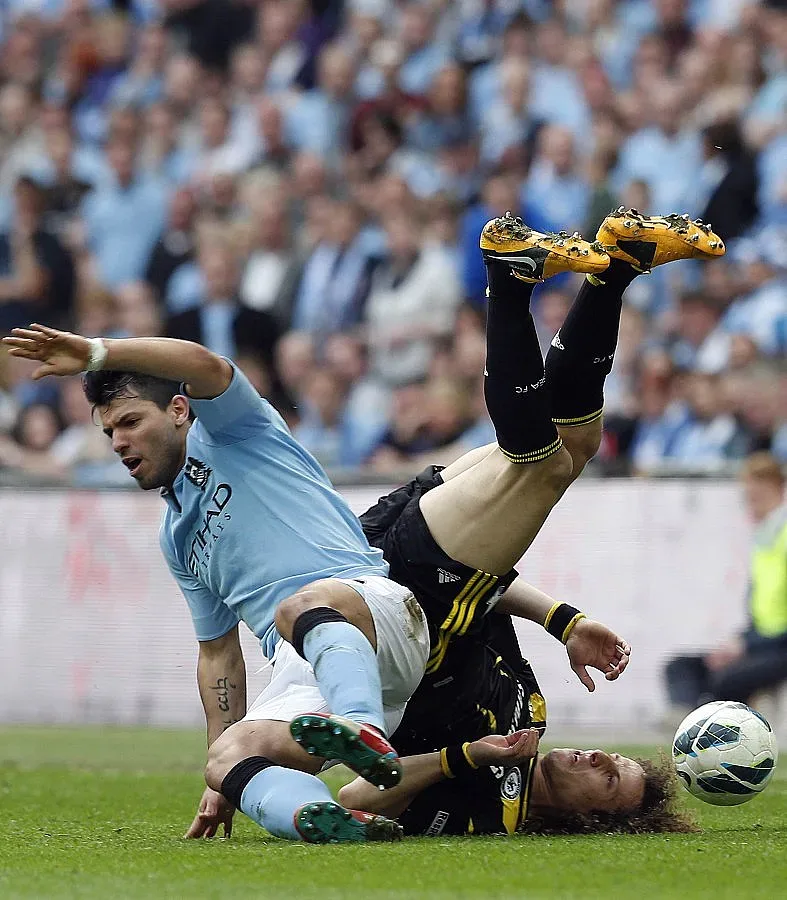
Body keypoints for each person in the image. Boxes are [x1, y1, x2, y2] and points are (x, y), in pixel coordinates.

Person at [338, 208, 725, 836]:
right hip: (423, 575)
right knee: (574, 446)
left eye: (607, 780)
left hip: (401, 605)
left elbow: (354, 795)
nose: (599, 757)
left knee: (544, 465)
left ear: (588, 820)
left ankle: (510, 281)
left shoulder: (489, 809)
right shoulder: (531, 710)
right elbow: (485, 595)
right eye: (618, 761)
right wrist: (563, 619)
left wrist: (460, 758)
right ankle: (617, 266)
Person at [2, 323, 433, 845]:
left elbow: (204, 364)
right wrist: (223, 777)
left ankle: (361, 728)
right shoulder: (177, 536)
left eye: (130, 422)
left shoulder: (235, 432)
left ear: (179, 411)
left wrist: (97, 353)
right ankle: (332, 821)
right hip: (306, 670)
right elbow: (218, 656)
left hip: (369, 611)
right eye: (110, 432)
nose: (118, 442)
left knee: (300, 607)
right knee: (227, 757)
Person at [664, 452, 787, 712]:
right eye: (748, 497)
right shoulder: (764, 540)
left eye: (757, 496)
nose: (751, 504)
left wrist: (746, 645)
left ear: (779, 489)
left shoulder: (780, 537)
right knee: (680, 666)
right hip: (762, 642)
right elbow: (764, 611)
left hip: (779, 647)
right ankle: (687, 722)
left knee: (727, 679)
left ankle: (706, 726)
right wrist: (739, 641)